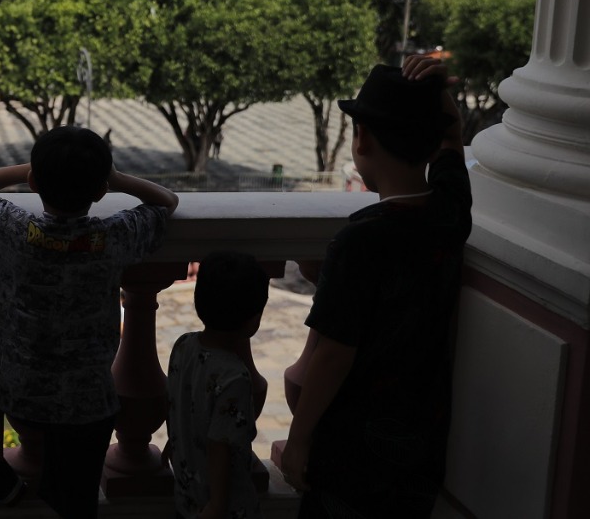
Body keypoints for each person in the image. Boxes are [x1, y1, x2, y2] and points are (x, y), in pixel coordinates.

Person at [280, 55, 472, 517]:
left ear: (360, 138)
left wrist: (299, 440)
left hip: (352, 449)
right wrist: (435, 93)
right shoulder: (450, 212)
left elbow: (333, 354)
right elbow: (453, 141)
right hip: (419, 442)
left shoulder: (361, 239)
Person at [0, 125, 178, 518]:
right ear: (100, 190)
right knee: (77, 507)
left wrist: (34, 168)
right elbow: (167, 201)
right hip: (87, 404)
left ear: (33, 181)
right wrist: (115, 177)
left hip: (21, 394)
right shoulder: (113, 236)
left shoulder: (13, 229)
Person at [167, 251, 269, 519]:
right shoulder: (235, 377)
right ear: (252, 320)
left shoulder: (183, 345)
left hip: (186, 494)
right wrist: (217, 506)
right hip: (225, 507)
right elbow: (220, 446)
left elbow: (176, 404)